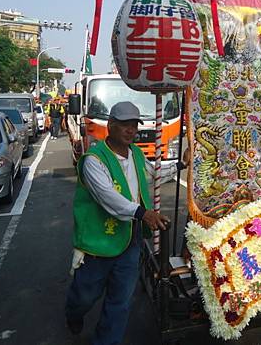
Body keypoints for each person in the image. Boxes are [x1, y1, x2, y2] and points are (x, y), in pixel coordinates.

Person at [65, 101, 169, 344]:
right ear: (110, 126)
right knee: (85, 296)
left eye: (134, 125)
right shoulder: (94, 159)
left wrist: (183, 165)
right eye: (125, 125)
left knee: (120, 301)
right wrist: (143, 213)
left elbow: (155, 175)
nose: (131, 130)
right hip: (98, 242)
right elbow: (108, 198)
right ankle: (73, 312)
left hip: (129, 239)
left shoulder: (137, 154)